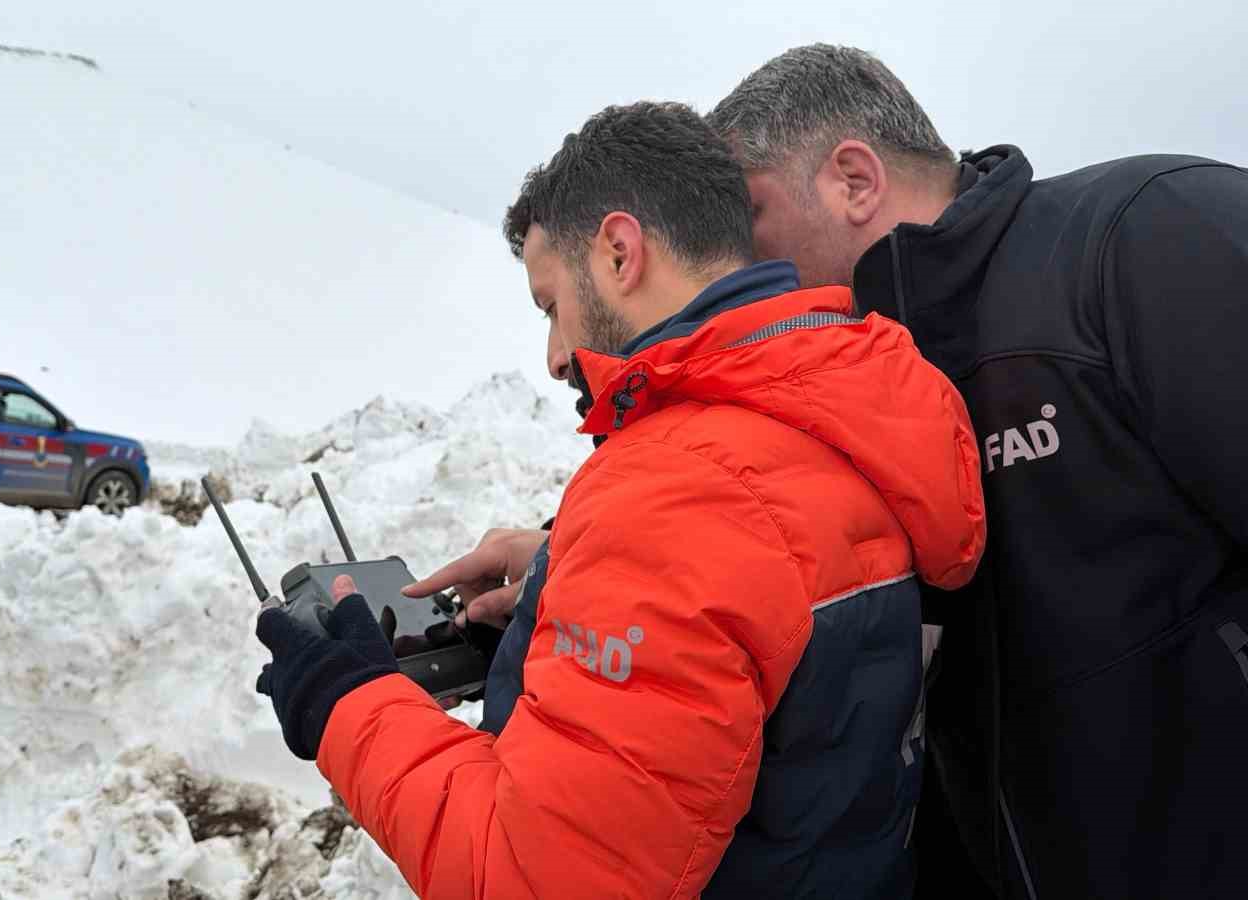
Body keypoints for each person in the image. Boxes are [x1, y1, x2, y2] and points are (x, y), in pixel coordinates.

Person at [253, 100, 987, 898]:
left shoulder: (675, 494)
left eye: (551, 305)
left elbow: (535, 880)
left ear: (617, 252)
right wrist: (563, 601)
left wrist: (348, 702)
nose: (556, 355)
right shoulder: (849, 415)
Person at [700, 43, 1248, 900]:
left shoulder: (1148, 230)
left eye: (749, 218)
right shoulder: (841, 385)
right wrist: (562, 562)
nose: (735, 266)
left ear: (853, 180)